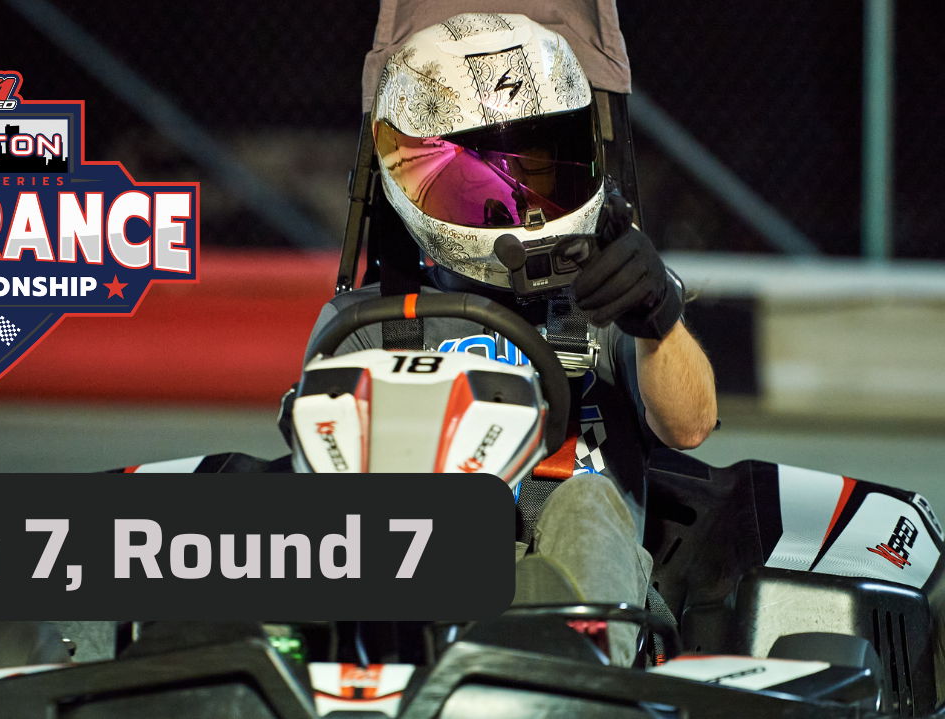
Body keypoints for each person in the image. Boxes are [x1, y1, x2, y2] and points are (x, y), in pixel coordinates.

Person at [304, 12, 717, 665]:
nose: (523, 200)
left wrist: (657, 318)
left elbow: (691, 424)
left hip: (581, 602)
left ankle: (582, 683)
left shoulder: (609, 298)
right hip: (421, 603)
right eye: (486, 178)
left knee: (586, 502)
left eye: (541, 167)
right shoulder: (363, 326)